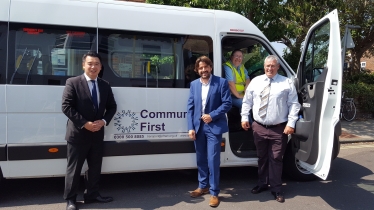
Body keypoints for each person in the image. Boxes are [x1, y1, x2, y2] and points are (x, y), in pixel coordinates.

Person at [241, 55, 300, 203]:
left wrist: (291, 123)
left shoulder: (286, 83)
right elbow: (247, 101)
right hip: (259, 127)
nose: (270, 68)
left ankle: (276, 188)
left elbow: (294, 104)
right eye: (267, 65)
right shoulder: (256, 82)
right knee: (262, 157)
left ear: (278, 67)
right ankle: (262, 183)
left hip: (279, 129)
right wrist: (244, 117)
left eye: (273, 66)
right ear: (264, 66)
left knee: (276, 159)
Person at [62, 51, 117, 210]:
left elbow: (112, 107)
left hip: (97, 133)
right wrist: (84, 123)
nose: (93, 67)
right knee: (74, 169)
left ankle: (92, 194)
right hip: (78, 135)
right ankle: (71, 200)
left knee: (94, 168)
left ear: (101, 67)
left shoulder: (105, 85)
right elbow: (66, 107)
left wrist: (104, 121)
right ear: (83, 65)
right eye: (90, 63)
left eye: (97, 64)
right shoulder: (73, 82)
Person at [187, 56, 232, 207]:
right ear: (197, 70)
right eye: (200, 68)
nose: (203, 70)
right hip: (198, 127)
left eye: (206, 67)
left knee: (213, 160)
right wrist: (191, 127)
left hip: (214, 127)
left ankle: (214, 193)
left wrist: (212, 115)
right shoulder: (193, 85)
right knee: (201, 159)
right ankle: (203, 186)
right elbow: (190, 108)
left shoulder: (221, 82)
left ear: (210, 68)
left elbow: (227, 103)